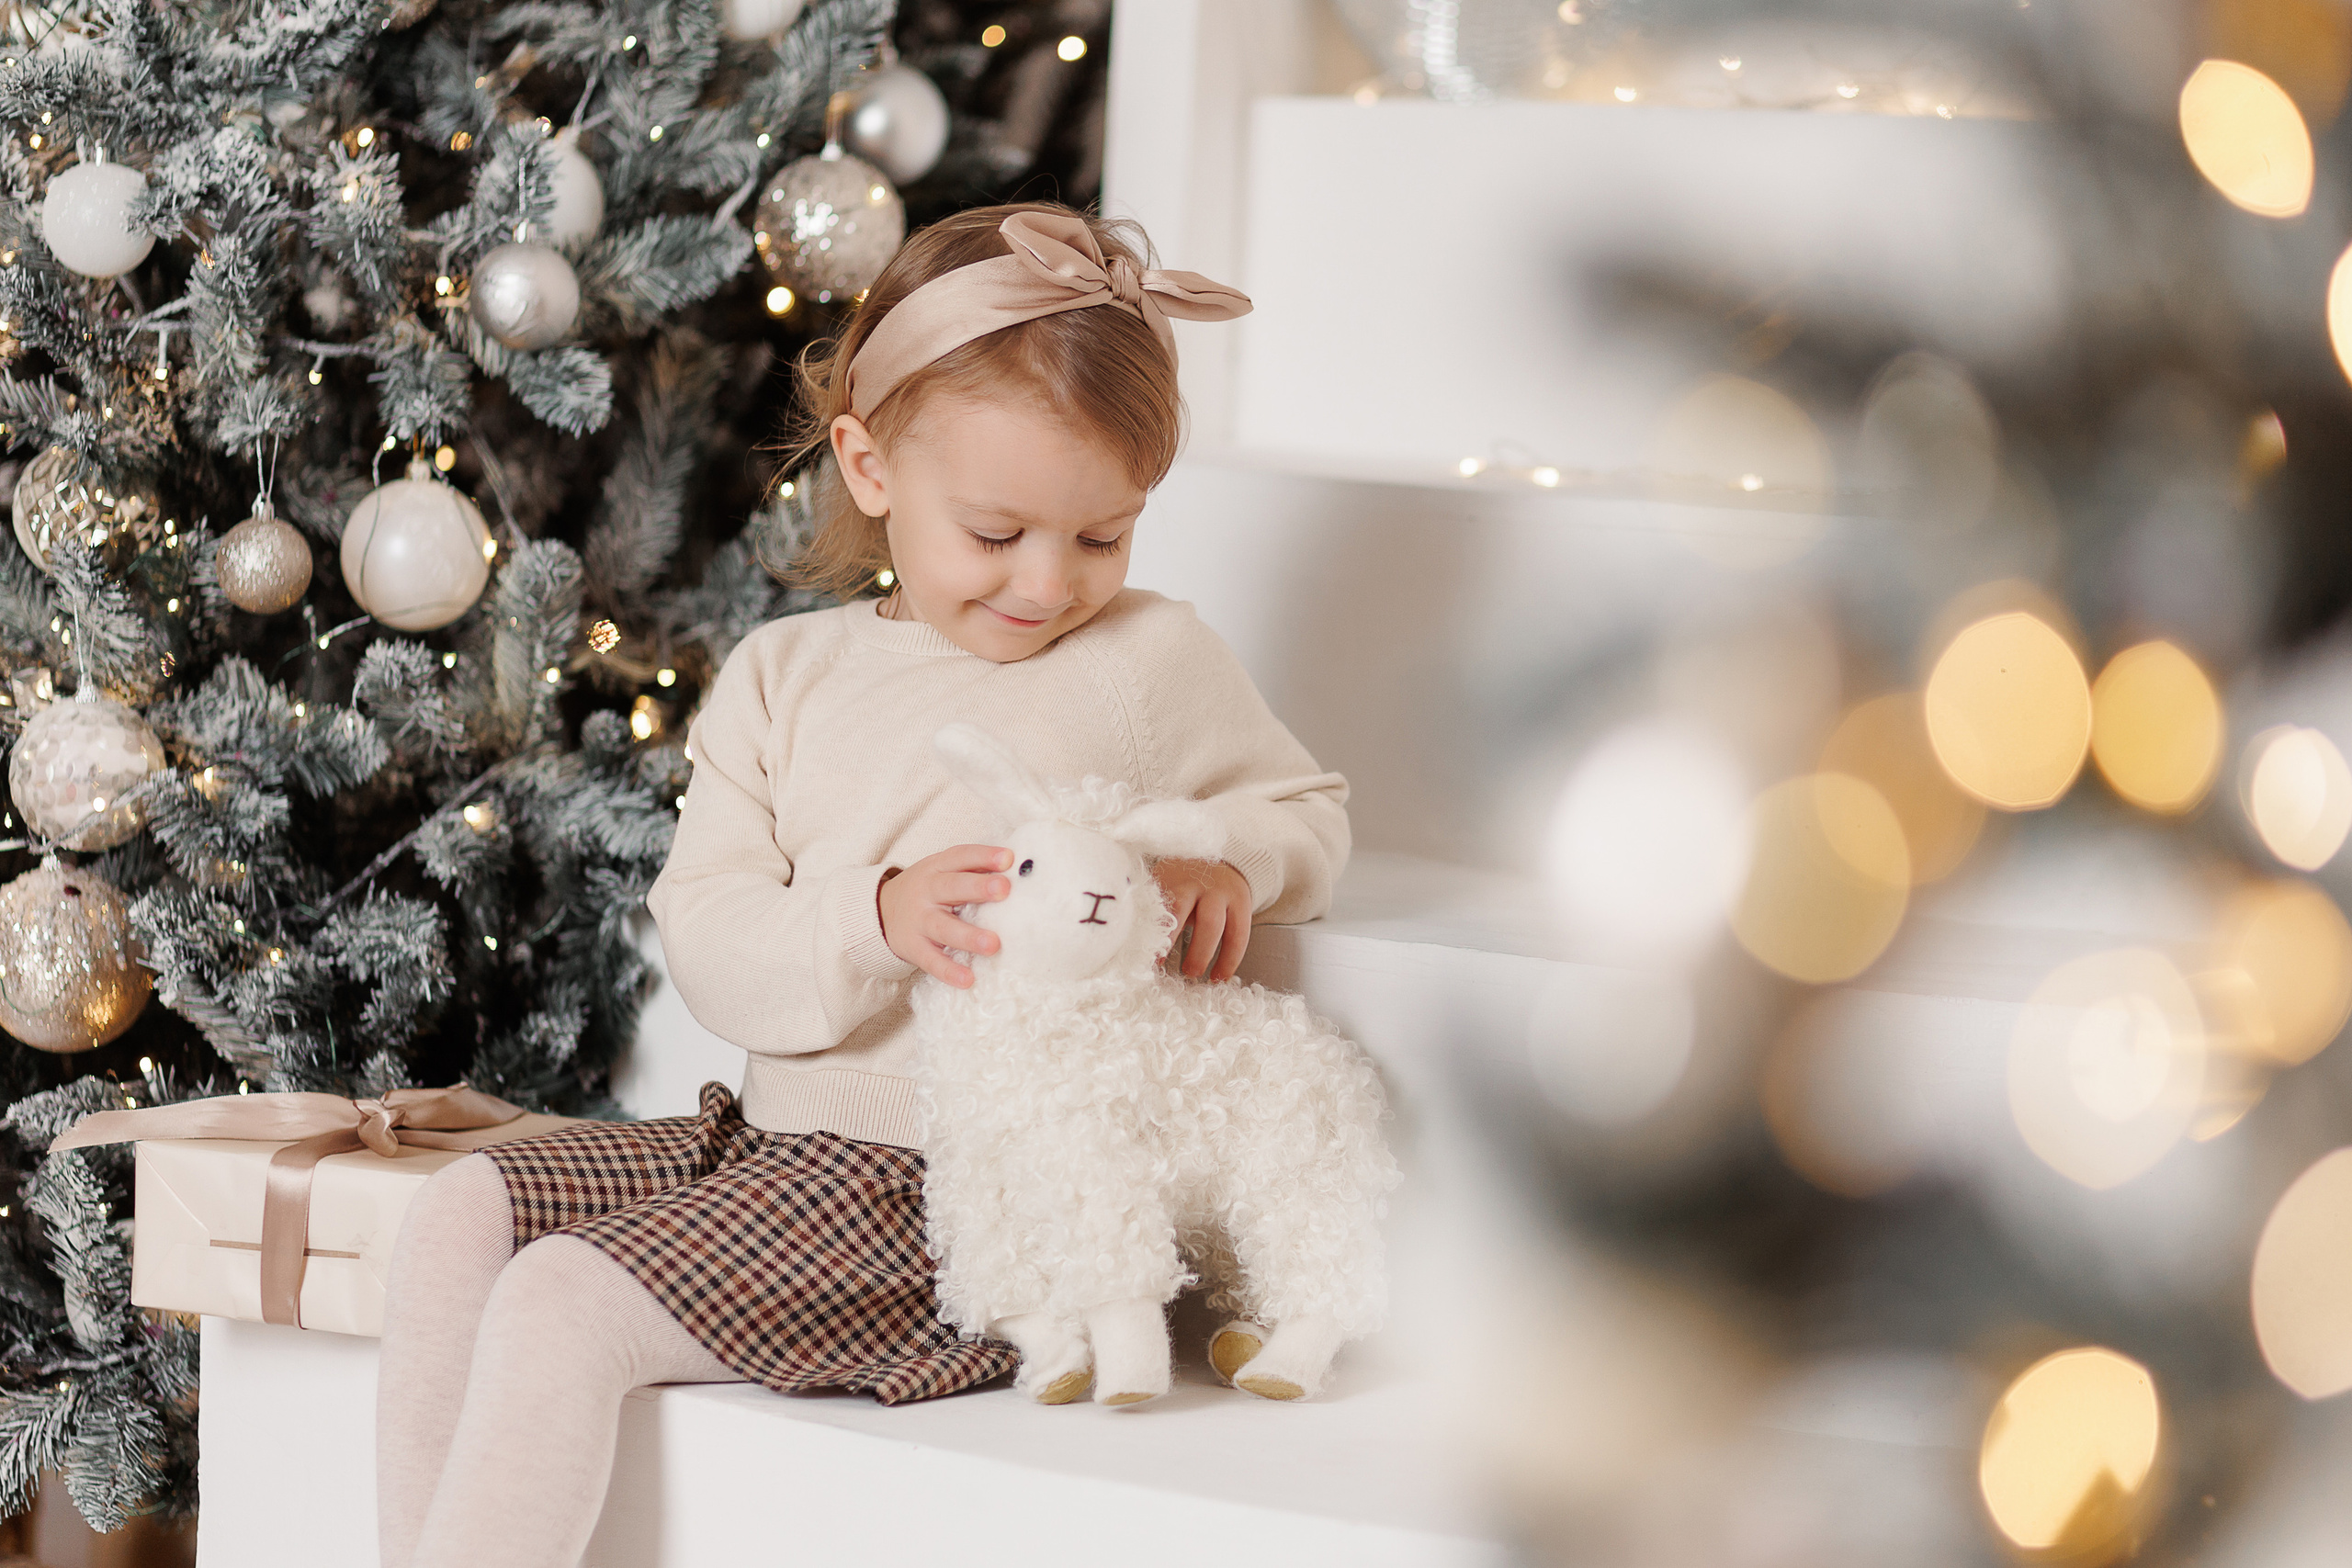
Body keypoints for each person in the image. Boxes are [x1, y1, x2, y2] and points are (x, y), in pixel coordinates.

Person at [374, 202, 1351, 1568]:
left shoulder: (1149, 662)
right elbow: (712, 941)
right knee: (460, 1214)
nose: (1049, 581)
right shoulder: (784, 677)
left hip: (948, 1188)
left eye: (1103, 537)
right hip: (773, 1148)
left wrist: (1226, 860)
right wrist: (873, 918)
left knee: (561, 1301)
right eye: (997, 531)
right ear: (870, 465)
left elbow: (1305, 810)